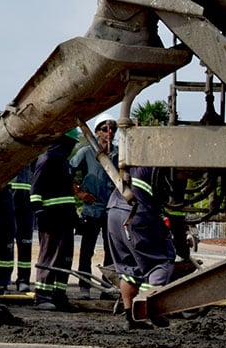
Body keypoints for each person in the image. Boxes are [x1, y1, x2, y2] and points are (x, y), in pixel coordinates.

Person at [106, 165, 177, 329]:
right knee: (161, 262)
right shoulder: (168, 166)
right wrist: (180, 241)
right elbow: (176, 212)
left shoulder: (136, 160)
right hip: (138, 213)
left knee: (129, 268)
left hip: (114, 211)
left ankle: (131, 318)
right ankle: (149, 309)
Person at [29, 129, 81, 311]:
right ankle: (42, 296)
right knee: (50, 256)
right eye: (70, 143)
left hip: (65, 218)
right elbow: (35, 190)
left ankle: (59, 295)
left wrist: (75, 217)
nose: (71, 147)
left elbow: (67, 195)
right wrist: (40, 212)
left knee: (65, 258)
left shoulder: (64, 162)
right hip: (51, 218)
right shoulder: (47, 160)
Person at [70, 114, 118, 299]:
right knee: (86, 250)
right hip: (92, 210)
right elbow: (68, 171)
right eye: (105, 129)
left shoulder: (119, 154)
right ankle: (84, 287)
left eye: (113, 129)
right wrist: (79, 193)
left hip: (112, 210)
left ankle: (108, 287)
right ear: (97, 132)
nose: (109, 132)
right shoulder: (86, 152)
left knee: (111, 251)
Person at [9, 163, 34, 292]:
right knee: (5, 243)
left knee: (25, 242)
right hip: (7, 197)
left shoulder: (31, 154)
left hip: (25, 200)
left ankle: (23, 279)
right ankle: (3, 278)